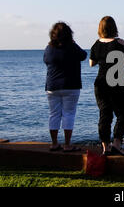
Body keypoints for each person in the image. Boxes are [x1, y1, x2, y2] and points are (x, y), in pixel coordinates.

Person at [90, 16, 124, 156]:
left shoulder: (96, 44)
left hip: (101, 83)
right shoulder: (120, 42)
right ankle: (117, 144)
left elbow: (91, 63)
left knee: (104, 114)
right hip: (118, 82)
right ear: (114, 28)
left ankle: (105, 147)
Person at [43, 22, 87, 152]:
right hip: (71, 85)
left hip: (52, 85)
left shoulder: (49, 48)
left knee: (54, 114)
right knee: (69, 114)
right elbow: (84, 55)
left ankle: (54, 143)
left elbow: (46, 60)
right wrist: (73, 43)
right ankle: (67, 144)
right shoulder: (72, 47)